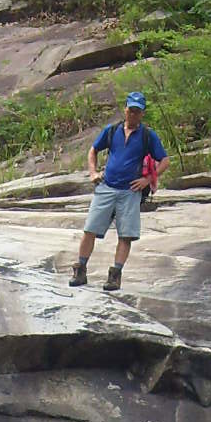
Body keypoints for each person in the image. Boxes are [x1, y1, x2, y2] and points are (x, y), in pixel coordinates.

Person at [69, 93, 167, 290]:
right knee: (90, 230)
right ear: (125, 110)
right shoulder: (112, 131)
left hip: (130, 191)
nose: (133, 114)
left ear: (142, 114)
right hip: (106, 187)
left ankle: (115, 276)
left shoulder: (148, 136)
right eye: (131, 110)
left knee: (126, 235)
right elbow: (93, 150)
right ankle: (80, 271)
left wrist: (148, 179)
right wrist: (92, 172)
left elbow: (165, 160)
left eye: (137, 111)